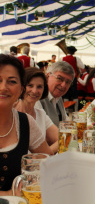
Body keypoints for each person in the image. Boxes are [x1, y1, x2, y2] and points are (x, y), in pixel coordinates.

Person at [0, 54, 53, 195]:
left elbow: (49, 163)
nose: (3, 87)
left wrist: (32, 182)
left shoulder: (26, 122)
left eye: (11, 82)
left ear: (21, 89)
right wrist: (7, 194)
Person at [14, 67, 59, 154]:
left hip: (36, 165)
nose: (34, 91)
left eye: (39, 87)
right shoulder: (11, 111)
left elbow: (62, 138)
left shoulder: (41, 114)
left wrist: (42, 154)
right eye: (30, 85)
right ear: (22, 87)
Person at [35, 61, 75, 127]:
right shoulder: (37, 98)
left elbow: (65, 119)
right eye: (59, 78)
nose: (63, 85)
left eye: (68, 82)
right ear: (48, 76)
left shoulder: (58, 98)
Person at [62, 46, 84, 111]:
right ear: (74, 52)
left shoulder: (62, 58)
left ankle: (66, 110)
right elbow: (82, 66)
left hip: (65, 79)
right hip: (73, 78)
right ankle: (75, 110)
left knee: (66, 94)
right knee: (74, 95)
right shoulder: (76, 58)